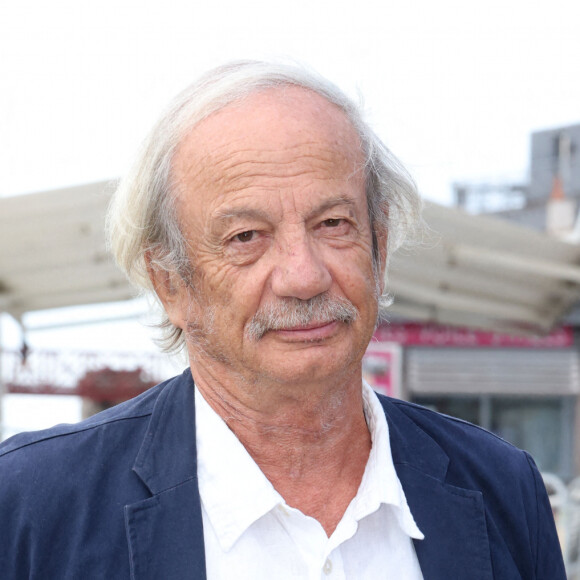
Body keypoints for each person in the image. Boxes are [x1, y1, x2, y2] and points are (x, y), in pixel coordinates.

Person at [0, 61, 565, 579]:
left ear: (381, 247)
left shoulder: (501, 488)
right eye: (246, 237)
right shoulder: (31, 507)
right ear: (170, 283)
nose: (304, 275)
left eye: (333, 223)